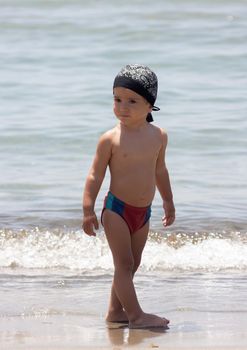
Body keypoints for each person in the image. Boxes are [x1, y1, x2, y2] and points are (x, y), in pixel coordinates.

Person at [82, 64, 175, 328]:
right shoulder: (110, 139)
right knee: (123, 263)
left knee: (132, 265)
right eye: (117, 99)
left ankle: (115, 311)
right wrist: (88, 209)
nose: (122, 106)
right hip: (117, 210)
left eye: (132, 101)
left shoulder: (159, 136)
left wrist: (168, 200)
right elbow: (94, 176)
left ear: (150, 106)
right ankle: (136, 316)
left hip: (143, 212)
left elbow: (160, 169)